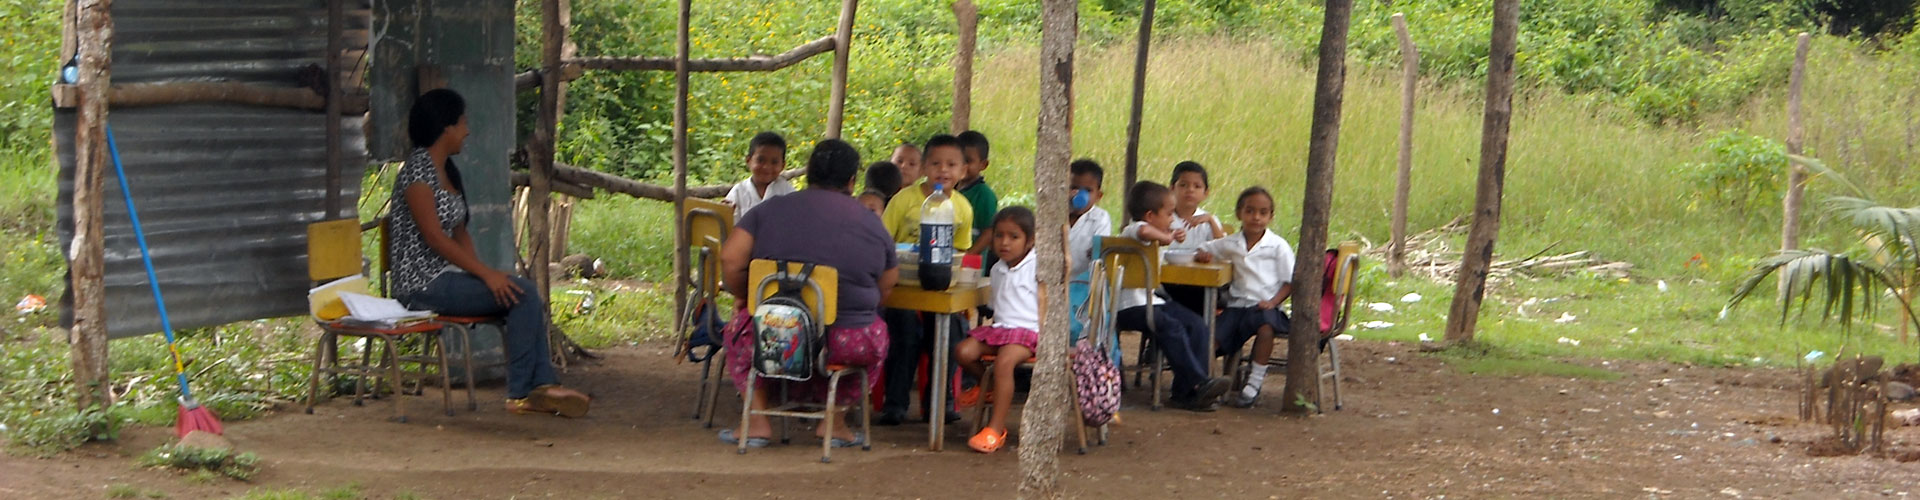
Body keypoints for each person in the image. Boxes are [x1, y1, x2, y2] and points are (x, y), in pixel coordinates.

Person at [387, 88, 589, 417]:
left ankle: (541, 385)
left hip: (447, 279)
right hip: (420, 286)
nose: (467, 130)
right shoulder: (416, 173)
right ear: (445, 128)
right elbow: (436, 238)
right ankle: (523, 391)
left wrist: (483, 276)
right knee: (522, 293)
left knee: (520, 291)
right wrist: (486, 276)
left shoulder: (449, 171)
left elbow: (460, 231)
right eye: (463, 122)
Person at [716, 139, 897, 448]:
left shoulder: (768, 210)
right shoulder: (871, 221)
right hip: (846, 342)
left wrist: (747, 297)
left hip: (775, 334)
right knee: (876, 334)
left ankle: (757, 420)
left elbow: (730, 259)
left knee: (740, 328)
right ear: (852, 182)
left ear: (808, 173)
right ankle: (834, 422)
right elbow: (888, 284)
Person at [876, 134, 976, 426]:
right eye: (935, 163)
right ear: (923, 169)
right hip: (903, 287)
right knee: (904, 336)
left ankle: (940, 403)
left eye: (951, 165)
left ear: (963, 171)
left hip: (941, 288)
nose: (942, 170)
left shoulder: (962, 208)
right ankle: (894, 404)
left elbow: (960, 250)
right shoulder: (903, 200)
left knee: (949, 335)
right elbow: (884, 242)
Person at [1117, 181, 1233, 411]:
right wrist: (1167, 237)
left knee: (1197, 325)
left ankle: (1186, 393)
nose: (1172, 219)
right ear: (1150, 215)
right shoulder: (1132, 230)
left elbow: (1153, 235)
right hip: (1128, 307)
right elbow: (1143, 231)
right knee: (1172, 327)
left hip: (1153, 302)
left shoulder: (1154, 235)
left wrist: (1167, 236)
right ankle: (1199, 384)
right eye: (1169, 214)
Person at [1195, 187, 1295, 408]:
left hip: (1265, 306)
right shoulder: (1231, 243)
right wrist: (1203, 255)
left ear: (1271, 216)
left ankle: (1253, 384)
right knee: (1211, 340)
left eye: (1262, 212)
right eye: (1250, 211)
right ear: (1239, 213)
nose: (1256, 217)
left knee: (1266, 329)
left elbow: (1290, 283)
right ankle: (1206, 384)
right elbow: (1204, 247)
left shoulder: (1278, 246)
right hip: (1236, 306)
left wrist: (1273, 302)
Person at [952, 207, 1039, 453]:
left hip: (1028, 332)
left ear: (1030, 240)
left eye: (1014, 237)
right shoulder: (997, 268)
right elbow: (995, 306)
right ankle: (989, 388)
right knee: (963, 351)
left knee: (1003, 363)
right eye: (999, 236)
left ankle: (996, 428)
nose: (1005, 243)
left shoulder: (1039, 266)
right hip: (1001, 329)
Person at [1164, 161, 1228, 315]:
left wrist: (1211, 221)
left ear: (1206, 193)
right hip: (1168, 282)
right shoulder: (1164, 217)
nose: (1190, 190)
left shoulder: (1208, 220)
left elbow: (1224, 250)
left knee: (1204, 295)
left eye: (1197, 186)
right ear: (1172, 188)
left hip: (1200, 282)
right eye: (1183, 185)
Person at [1066, 159, 1112, 343]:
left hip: (1085, 288)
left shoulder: (1100, 218)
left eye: (1087, 191)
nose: (1079, 195)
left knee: (1079, 327)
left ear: (1098, 195)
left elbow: (1099, 249)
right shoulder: (1057, 215)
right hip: (1057, 285)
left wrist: (1096, 249)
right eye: (1074, 188)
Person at [722, 132, 794, 221]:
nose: (767, 167)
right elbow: (727, 225)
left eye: (774, 162)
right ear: (748, 161)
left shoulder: (787, 192)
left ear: (782, 166)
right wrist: (725, 213)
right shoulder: (738, 192)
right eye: (761, 160)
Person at [955, 131, 999, 254]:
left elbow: (989, 232)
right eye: (958, 160)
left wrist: (969, 256)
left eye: (968, 161)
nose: (962, 165)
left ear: (983, 165)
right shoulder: (948, 190)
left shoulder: (985, 195)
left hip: (971, 265)